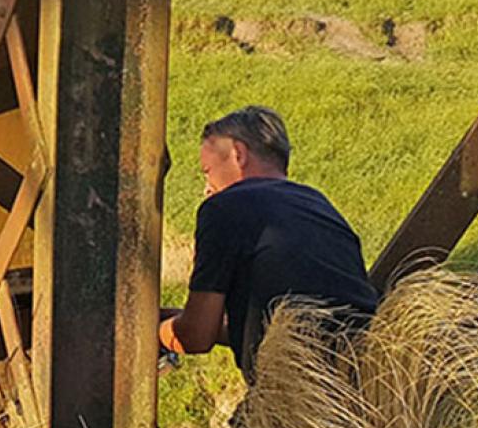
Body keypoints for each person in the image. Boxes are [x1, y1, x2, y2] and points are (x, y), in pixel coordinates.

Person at [159, 105, 378, 384]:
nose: (207, 187)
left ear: (238, 154)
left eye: (207, 171)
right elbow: (275, 326)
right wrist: (176, 316)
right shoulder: (319, 205)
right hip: (360, 381)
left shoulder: (224, 207)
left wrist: (150, 335)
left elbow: (196, 336)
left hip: (292, 391)